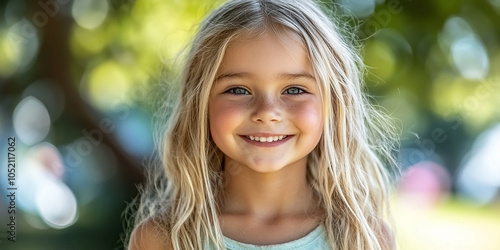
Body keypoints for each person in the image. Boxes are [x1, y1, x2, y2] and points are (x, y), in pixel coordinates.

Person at [127, 0, 399, 249]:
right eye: (238, 90)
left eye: (294, 90)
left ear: (333, 104)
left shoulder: (364, 238)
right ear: (200, 103)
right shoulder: (161, 239)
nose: (267, 113)